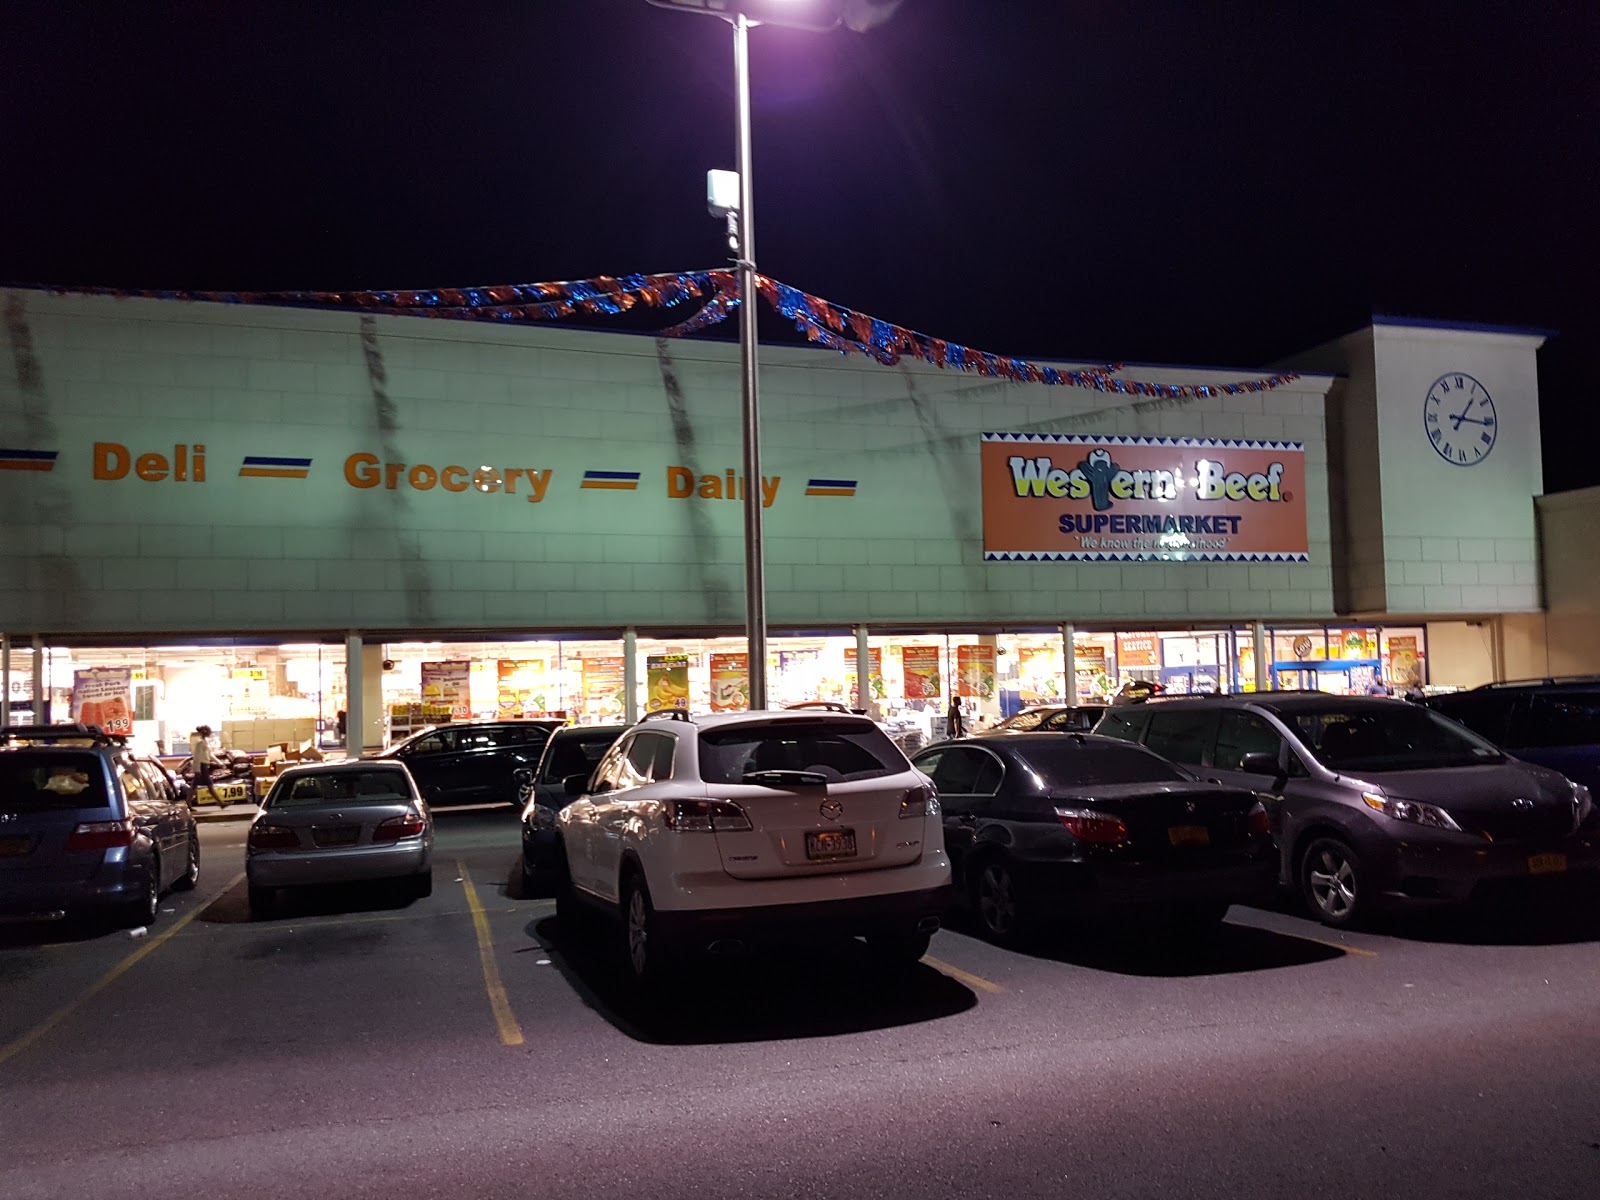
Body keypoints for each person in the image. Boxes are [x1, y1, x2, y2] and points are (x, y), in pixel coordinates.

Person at [189, 724, 217, 805]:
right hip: (201, 766)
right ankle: (221, 803)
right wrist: (197, 769)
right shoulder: (200, 743)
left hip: (204, 765)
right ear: (205, 732)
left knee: (194, 785)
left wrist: (219, 763)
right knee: (209, 784)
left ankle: (187, 802)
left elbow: (210, 754)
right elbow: (197, 757)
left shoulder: (204, 742)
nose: (210, 732)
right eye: (209, 731)